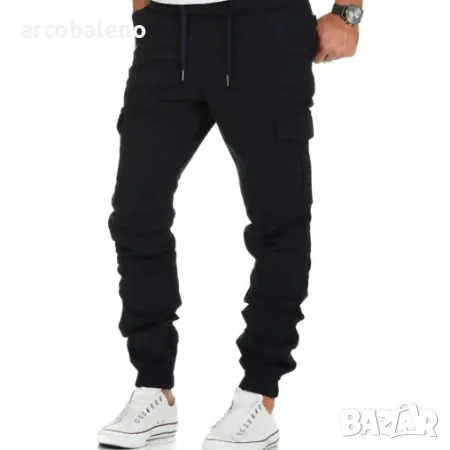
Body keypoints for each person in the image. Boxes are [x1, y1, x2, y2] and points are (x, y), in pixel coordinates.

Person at [97, 0, 363, 448]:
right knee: (136, 213)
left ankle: (258, 395)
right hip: (166, 33)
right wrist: (144, 13)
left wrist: (348, 10)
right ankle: (153, 388)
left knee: (278, 220)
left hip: (267, 30)